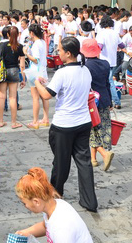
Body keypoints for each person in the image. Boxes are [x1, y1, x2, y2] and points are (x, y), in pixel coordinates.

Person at [34, 37, 98, 212]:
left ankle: (56, 194)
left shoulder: (62, 73)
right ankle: (89, 201)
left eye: (60, 50)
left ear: (68, 53)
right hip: (84, 122)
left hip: (64, 125)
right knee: (84, 162)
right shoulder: (85, 70)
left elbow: (47, 95)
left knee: (61, 163)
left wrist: (37, 84)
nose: (58, 53)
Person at [10, 168, 100, 243]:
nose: (25, 206)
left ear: (36, 202)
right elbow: (45, 226)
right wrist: (26, 232)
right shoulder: (55, 205)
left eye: (24, 203)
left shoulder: (62, 226)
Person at [80, 39, 114, 171]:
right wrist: (110, 101)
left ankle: (104, 154)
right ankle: (93, 159)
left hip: (91, 102)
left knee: (92, 130)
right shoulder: (105, 64)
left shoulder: (85, 67)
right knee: (100, 128)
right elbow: (107, 84)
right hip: (104, 99)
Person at [0, 27, 26, 129]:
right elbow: (22, 65)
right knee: (13, 97)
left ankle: (0, 121)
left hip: (2, 72)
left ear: (8, 35)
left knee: (1, 97)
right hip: (14, 71)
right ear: (17, 35)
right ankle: (14, 122)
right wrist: (23, 79)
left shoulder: (2, 45)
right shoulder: (20, 46)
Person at [23, 24, 49, 129]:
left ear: (32, 33)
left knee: (35, 97)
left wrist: (26, 54)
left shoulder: (36, 44)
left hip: (35, 72)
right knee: (44, 96)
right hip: (43, 70)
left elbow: (35, 59)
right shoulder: (42, 42)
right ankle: (45, 119)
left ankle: (35, 121)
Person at [96, 16, 123, 108]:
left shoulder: (101, 33)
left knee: (108, 82)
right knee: (110, 81)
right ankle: (114, 101)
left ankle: (115, 101)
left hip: (103, 60)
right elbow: (122, 45)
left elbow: (99, 46)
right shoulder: (115, 33)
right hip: (113, 60)